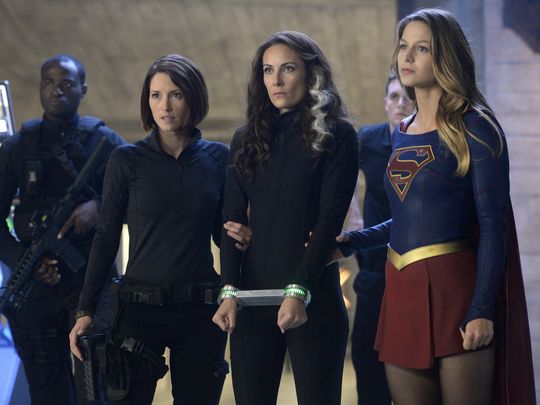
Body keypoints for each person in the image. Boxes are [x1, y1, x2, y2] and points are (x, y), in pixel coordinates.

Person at [337, 8, 536, 405]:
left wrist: (482, 307)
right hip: (400, 289)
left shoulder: (476, 127)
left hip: (456, 292)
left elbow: (493, 226)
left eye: (422, 48)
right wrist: (351, 242)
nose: (407, 57)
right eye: (403, 46)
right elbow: (408, 220)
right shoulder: (402, 131)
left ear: (445, 56)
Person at [69, 54, 251, 405]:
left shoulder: (218, 158)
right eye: (156, 95)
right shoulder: (126, 160)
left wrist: (243, 240)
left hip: (200, 309)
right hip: (138, 311)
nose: (164, 106)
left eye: (175, 95)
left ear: (193, 98)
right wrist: (85, 309)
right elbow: (106, 236)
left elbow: (222, 232)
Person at [212, 31, 359, 405]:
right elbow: (231, 224)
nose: (276, 80)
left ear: (311, 73)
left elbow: (329, 221)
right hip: (250, 301)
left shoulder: (338, 135)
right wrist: (228, 290)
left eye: (287, 69)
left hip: (314, 299)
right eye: (268, 70)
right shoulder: (245, 139)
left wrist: (299, 289)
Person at [0, 55, 126, 405]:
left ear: (82, 90)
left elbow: (139, 194)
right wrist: (23, 260)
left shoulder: (104, 142)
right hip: (36, 284)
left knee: (94, 385)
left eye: (67, 83)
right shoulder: (17, 147)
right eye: (49, 82)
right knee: (46, 390)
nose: (57, 90)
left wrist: (99, 207)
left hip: (90, 280)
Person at [349, 74, 413, 405]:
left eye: (407, 97)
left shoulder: (425, 142)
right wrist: (352, 220)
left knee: (409, 362)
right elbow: (338, 174)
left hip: (416, 264)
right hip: (375, 265)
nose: (401, 103)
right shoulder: (368, 139)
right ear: (385, 102)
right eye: (394, 96)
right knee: (366, 356)